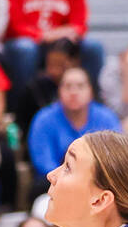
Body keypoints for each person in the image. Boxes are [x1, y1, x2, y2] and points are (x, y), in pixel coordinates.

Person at [28, 67, 121, 195]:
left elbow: (115, 158)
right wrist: (72, 182)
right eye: (67, 86)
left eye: (80, 86)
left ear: (91, 91)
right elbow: (43, 162)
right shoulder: (43, 119)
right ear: (59, 91)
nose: (74, 92)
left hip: (98, 183)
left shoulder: (107, 118)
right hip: (54, 184)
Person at [14, 38, 78, 137]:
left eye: (60, 65)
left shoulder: (83, 87)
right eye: (50, 65)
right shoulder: (35, 88)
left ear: (74, 62)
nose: (54, 71)